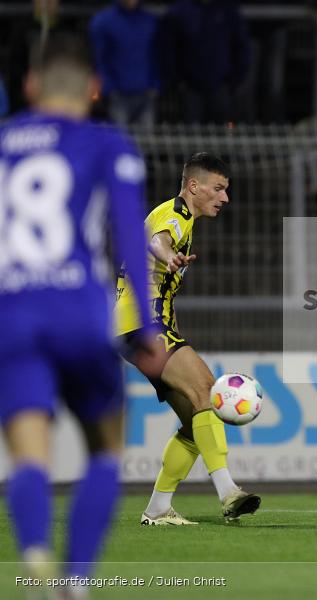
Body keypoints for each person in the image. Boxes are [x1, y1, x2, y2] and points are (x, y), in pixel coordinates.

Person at [0, 32, 164, 589]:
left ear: (28, 87)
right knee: (107, 448)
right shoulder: (106, 143)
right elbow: (127, 234)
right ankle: (76, 578)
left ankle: (35, 548)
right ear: (94, 90)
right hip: (77, 311)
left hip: (13, 317)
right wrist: (146, 324)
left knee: (28, 453)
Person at [116, 152, 262, 525]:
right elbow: (158, 241)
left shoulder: (183, 218)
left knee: (194, 423)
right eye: (219, 188)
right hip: (142, 326)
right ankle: (229, 492)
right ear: (194, 186)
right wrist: (171, 256)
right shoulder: (175, 214)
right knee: (207, 392)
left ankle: (158, 509)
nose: (224, 197)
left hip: (138, 328)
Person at [89, 0, 160, 127]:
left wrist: (155, 84)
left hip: (146, 93)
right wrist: (109, 88)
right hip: (118, 95)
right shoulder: (103, 22)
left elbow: (157, 55)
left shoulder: (150, 21)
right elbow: (99, 58)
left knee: (147, 142)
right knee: (119, 139)